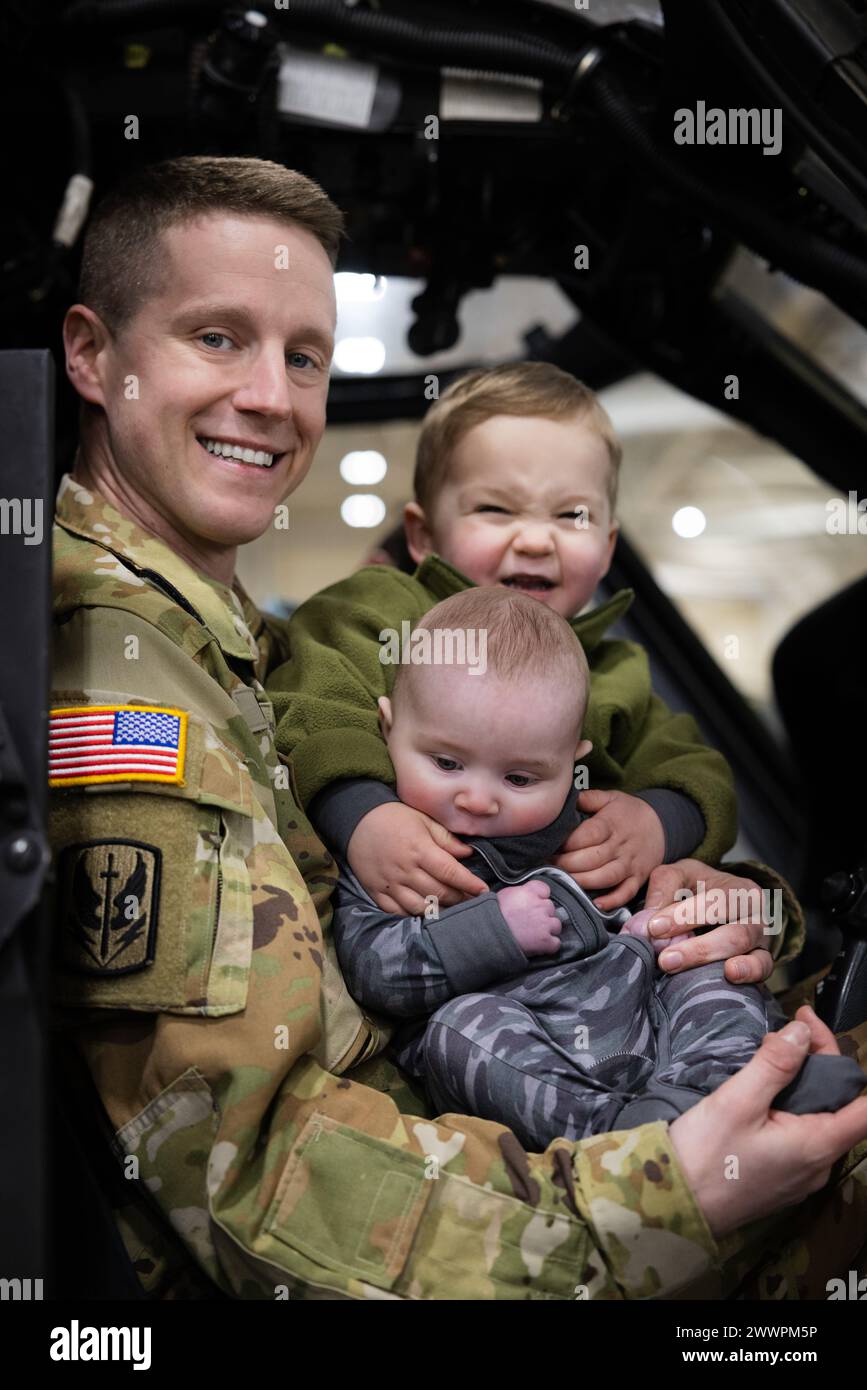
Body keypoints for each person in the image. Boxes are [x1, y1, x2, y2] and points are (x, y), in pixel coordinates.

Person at [49, 153, 867, 1301]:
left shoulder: (244, 645)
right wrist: (663, 1192)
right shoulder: (116, 674)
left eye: (305, 356)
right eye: (218, 338)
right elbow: (241, 1169)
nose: (273, 398)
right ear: (92, 354)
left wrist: (725, 910)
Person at [321, 586, 866, 1150]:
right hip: (529, 1044)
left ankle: (741, 1083)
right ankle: (628, 1137)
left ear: (571, 766)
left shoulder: (583, 828)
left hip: (644, 1014)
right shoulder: (392, 852)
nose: (478, 799)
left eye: (520, 779)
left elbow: (651, 887)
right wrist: (493, 931)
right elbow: (375, 972)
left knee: (705, 967)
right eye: (447, 763)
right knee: (459, 1031)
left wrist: (649, 925)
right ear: (388, 731)